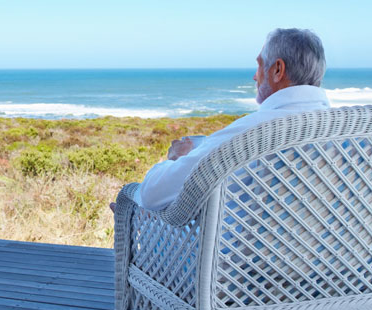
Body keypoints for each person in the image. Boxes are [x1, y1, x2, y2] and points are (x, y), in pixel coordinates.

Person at [110, 28, 329, 213]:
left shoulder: (251, 132)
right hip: (327, 261)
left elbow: (152, 195)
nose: (255, 76)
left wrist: (177, 159)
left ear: (278, 70)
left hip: (237, 262)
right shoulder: (349, 132)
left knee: (136, 201)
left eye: (260, 65)